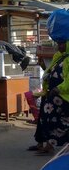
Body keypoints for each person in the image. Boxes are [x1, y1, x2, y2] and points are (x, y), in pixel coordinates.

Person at [30, 10, 69, 155]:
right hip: (53, 94)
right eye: (58, 43)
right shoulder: (60, 55)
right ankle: (44, 143)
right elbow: (49, 71)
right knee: (46, 119)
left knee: (58, 122)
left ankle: (50, 146)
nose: (59, 46)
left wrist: (59, 89)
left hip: (64, 96)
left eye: (62, 43)